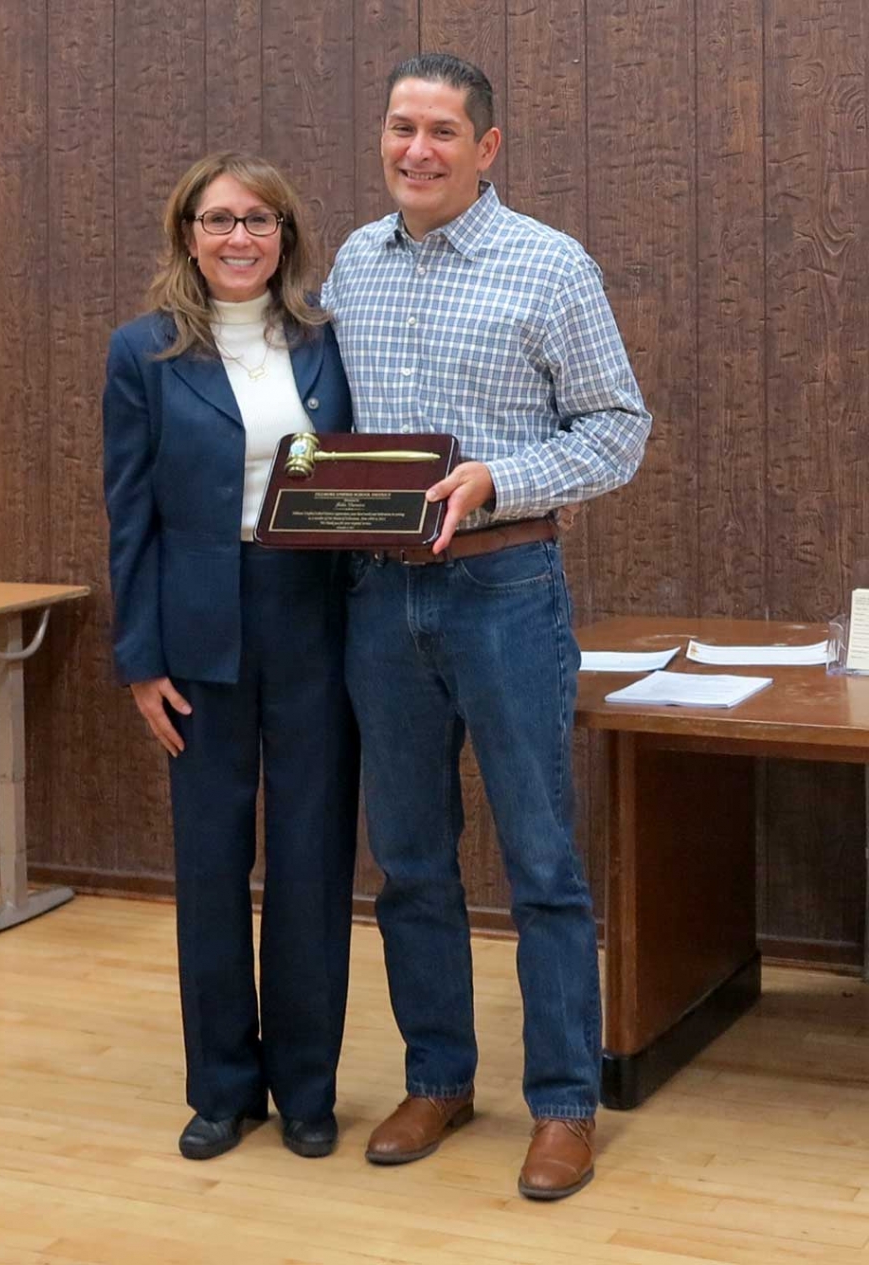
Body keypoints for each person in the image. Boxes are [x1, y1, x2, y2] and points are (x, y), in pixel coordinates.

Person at [322, 54, 651, 1199]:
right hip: (377, 596)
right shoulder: (354, 263)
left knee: (543, 861)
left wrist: (493, 482)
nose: (418, 150)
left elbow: (617, 429)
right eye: (401, 127)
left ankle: (562, 1104)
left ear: (488, 147)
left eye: (443, 132)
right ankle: (439, 1077)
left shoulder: (549, 264)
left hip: (506, 591)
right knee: (409, 858)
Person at [103, 153, 358, 1162]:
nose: (238, 238)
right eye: (218, 221)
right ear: (189, 235)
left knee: (310, 858)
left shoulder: (330, 343)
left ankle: (304, 1087)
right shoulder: (144, 352)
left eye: (257, 220)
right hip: (196, 631)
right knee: (212, 865)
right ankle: (221, 1086)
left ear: (285, 235)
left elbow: (364, 473)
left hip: (315, 622)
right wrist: (139, 656)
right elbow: (130, 513)